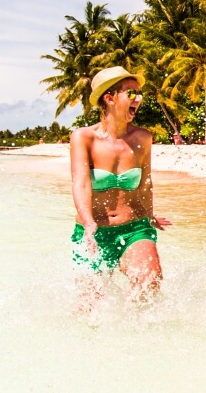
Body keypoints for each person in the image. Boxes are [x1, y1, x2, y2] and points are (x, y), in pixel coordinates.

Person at [68, 66, 170, 308]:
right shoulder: (83, 137)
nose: (139, 98)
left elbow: (146, 184)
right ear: (110, 98)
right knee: (89, 306)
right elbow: (80, 183)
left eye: (139, 93)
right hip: (92, 232)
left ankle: (134, 336)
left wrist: (149, 214)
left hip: (134, 228)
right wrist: (89, 222)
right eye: (131, 93)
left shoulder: (143, 137)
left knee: (150, 280)